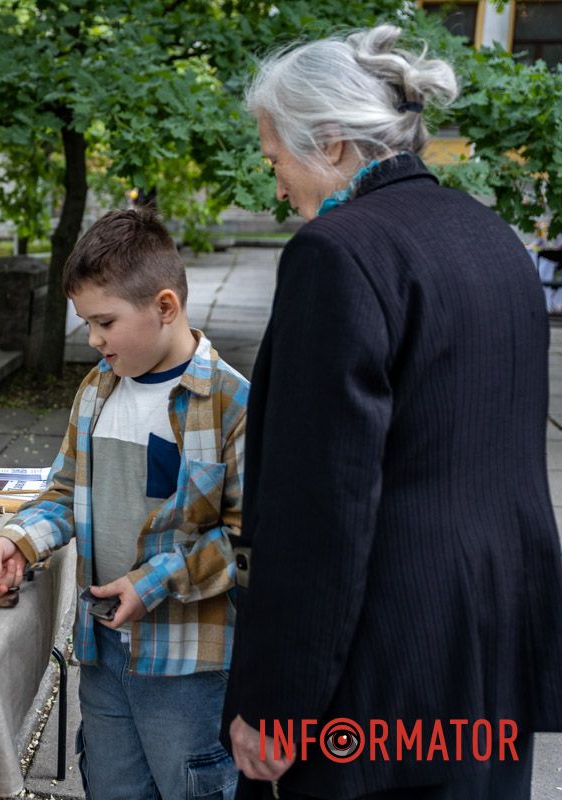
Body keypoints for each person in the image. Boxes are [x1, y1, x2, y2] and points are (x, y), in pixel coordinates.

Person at [222, 25, 562, 800]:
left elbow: (322, 508)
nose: (277, 185)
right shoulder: (492, 237)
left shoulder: (337, 254)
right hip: (490, 648)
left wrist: (276, 705)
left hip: (381, 670)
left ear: (332, 143)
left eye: (276, 159)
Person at [0, 207, 248, 800]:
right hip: (103, 650)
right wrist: (20, 539)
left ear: (165, 307)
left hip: (187, 666)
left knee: (189, 785)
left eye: (104, 322)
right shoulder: (97, 388)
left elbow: (247, 539)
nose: (92, 339)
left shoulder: (232, 403)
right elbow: (65, 491)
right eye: (85, 322)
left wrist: (155, 582)